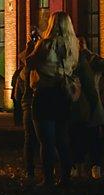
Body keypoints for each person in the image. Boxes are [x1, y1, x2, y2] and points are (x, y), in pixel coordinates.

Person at [25, 11, 80, 186]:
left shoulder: (46, 44)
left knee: (46, 140)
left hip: (45, 93)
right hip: (63, 93)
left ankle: (48, 177)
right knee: (62, 138)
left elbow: (30, 63)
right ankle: (65, 177)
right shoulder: (73, 45)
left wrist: (34, 44)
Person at [72, 34, 104, 179]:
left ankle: (87, 166)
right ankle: (86, 166)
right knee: (83, 136)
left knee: (88, 137)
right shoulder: (80, 59)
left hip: (86, 104)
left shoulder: (88, 59)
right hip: (84, 104)